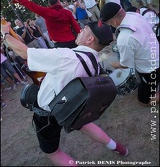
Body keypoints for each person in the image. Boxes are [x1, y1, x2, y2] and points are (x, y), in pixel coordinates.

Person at [1, 20, 129, 166]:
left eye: (84, 29)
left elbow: (24, 53)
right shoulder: (95, 59)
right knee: (86, 125)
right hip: (75, 107)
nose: (80, 30)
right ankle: (119, 148)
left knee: (53, 152)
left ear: (90, 39)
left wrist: (5, 32)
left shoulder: (66, 56)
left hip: (49, 113)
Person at [100, 2, 159, 106]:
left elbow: (125, 64)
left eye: (109, 23)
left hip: (151, 69)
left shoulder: (125, 38)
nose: (110, 26)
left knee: (143, 101)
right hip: (156, 52)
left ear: (114, 21)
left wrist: (111, 65)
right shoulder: (134, 15)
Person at [1, 0, 81, 49]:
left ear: (49, 4)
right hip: (71, 40)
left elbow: (29, 4)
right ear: (59, 1)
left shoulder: (46, 12)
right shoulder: (67, 12)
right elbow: (77, 28)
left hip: (59, 44)